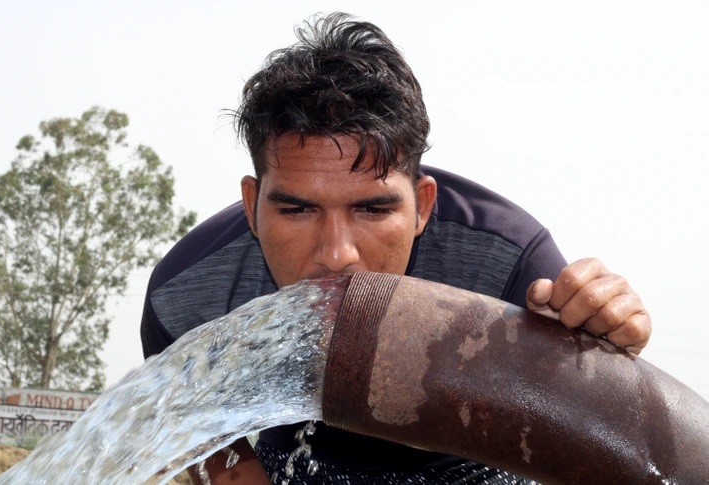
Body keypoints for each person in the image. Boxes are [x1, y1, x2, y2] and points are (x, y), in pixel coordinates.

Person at [140, 12, 651, 484]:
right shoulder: (186, 302)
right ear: (252, 205)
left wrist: (603, 345)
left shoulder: (507, 267)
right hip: (298, 460)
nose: (338, 254)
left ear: (423, 205)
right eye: (297, 210)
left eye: (372, 210)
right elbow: (222, 458)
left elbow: (608, 446)